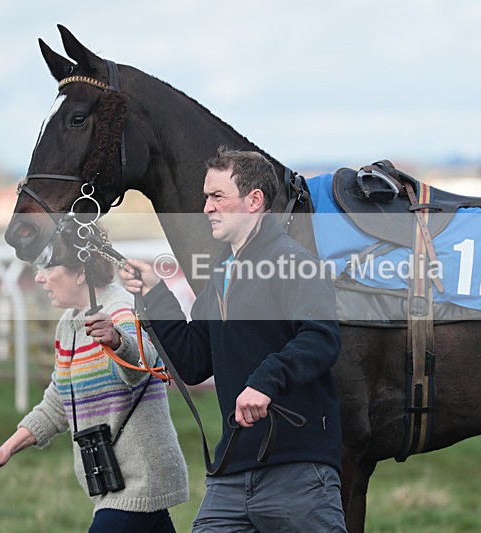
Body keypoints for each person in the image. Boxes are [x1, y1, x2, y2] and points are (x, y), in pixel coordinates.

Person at [119, 146, 347, 532]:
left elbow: (321, 337)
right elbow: (193, 362)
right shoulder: (222, 274)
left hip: (297, 473)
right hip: (231, 472)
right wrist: (156, 294)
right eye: (206, 196)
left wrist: (264, 381)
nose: (207, 207)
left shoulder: (296, 261)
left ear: (254, 200)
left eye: (217, 196)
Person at [0, 243, 188, 533]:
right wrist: (6, 449)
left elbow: (143, 364)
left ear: (80, 273)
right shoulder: (69, 324)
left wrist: (115, 340)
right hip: (113, 484)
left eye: (48, 268)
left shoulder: (120, 309)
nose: (39, 277)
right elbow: (58, 403)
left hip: (139, 482)